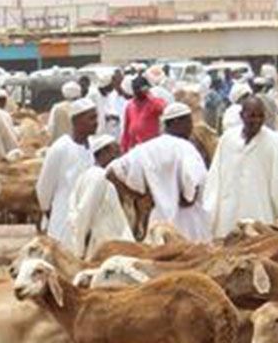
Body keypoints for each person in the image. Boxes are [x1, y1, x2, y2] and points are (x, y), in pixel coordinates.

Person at [204, 96, 278, 237]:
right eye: (251, 116)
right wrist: (210, 208)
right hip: (228, 212)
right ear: (242, 116)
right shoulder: (227, 140)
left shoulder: (274, 142)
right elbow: (216, 176)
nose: (256, 120)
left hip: (258, 210)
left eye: (260, 116)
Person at [109, 102, 210, 241]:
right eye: (189, 122)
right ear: (177, 121)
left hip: (156, 230)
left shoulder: (145, 149)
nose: (191, 127)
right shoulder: (185, 148)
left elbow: (112, 172)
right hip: (186, 229)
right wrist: (185, 198)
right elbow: (191, 192)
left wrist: (140, 197)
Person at [37, 98, 98, 246]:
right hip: (63, 217)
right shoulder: (61, 148)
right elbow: (44, 187)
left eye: (96, 117)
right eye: (91, 118)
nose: (96, 122)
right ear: (77, 121)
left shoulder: (93, 147)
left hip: (88, 219)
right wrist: (48, 210)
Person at [68, 134, 133, 260]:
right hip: (103, 245)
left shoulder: (97, 175)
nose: (119, 155)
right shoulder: (98, 176)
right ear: (104, 152)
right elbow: (84, 213)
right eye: (116, 150)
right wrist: (79, 250)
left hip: (112, 245)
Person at [119, 75, 165, 151]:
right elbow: (126, 129)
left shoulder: (152, 103)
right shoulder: (130, 106)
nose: (138, 93)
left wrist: (149, 95)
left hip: (151, 146)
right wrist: (124, 147)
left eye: (140, 90)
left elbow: (162, 107)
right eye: (136, 90)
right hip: (135, 147)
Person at [94, 71, 126, 139]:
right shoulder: (94, 96)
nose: (113, 88)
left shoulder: (110, 95)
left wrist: (113, 116)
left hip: (112, 130)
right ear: (106, 85)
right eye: (111, 86)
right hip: (99, 132)